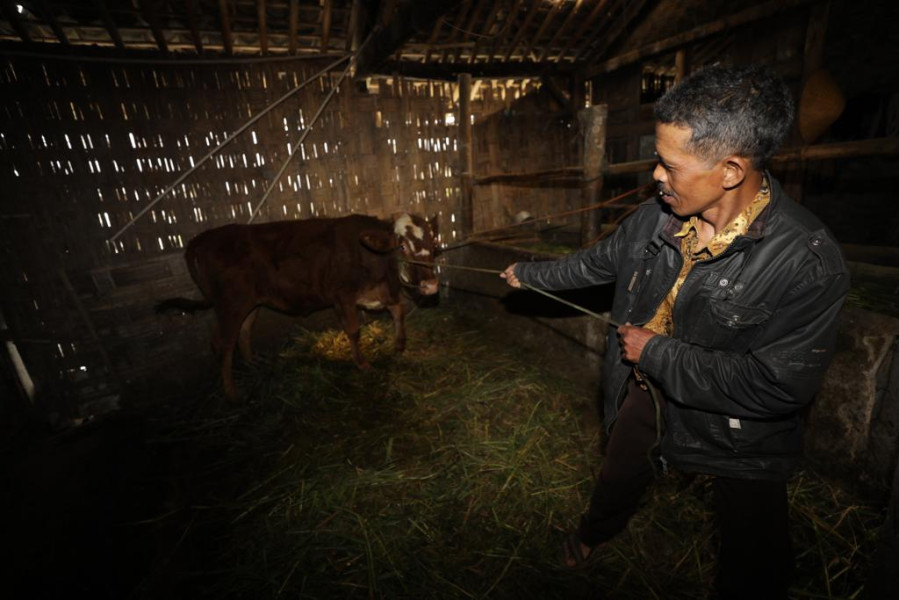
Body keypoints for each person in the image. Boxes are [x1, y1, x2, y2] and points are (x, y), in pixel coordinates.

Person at [501, 65, 849, 599]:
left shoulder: (806, 261)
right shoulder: (654, 217)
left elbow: (779, 387)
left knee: (754, 544)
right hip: (645, 384)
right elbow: (596, 265)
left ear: (730, 170)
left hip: (743, 431)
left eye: (669, 165)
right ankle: (597, 532)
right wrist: (529, 274)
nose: (656, 176)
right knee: (618, 469)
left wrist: (657, 352)